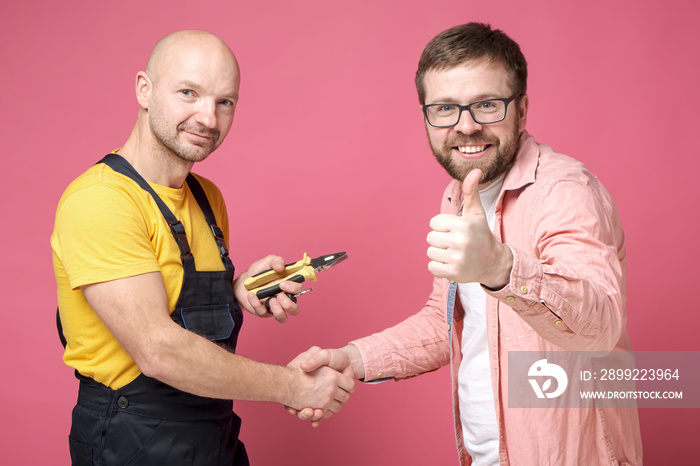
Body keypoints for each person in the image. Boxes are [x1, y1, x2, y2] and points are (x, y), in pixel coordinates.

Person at [294, 23, 643, 465]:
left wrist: (501, 267)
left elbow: (600, 326)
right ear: (426, 115)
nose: (466, 126)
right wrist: (353, 359)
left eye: (487, 105)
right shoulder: (462, 195)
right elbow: (449, 323)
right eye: (445, 108)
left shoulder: (565, 191)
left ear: (522, 109)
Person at [51, 30, 354, 466]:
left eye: (224, 102)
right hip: (130, 442)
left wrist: (239, 293)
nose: (208, 118)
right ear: (145, 89)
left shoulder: (206, 198)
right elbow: (159, 350)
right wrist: (294, 386)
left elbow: (172, 302)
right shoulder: (101, 201)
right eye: (188, 93)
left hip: (213, 436)